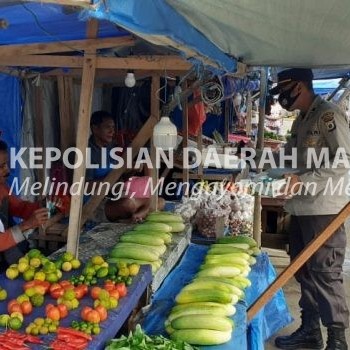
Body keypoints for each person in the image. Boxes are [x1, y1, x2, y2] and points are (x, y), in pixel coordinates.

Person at [268, 68, 349, 350]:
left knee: (325, 272)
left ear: (299, 87)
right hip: (302, 208)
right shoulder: (301, 120)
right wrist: (266, 169)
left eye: (283, 91)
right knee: (303, 270)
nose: (281, 98)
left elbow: (343, 162)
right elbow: (291, 154)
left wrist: (302, 181)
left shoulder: (328, 115)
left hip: (324, 208)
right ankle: (311, 331)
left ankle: (338, 340)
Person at [86, 110, 164, 223]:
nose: (112, 131)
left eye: (113, 127)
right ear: (95, 128)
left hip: (115, 196)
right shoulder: (87, 152)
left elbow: (120, 178)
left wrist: (130, 170)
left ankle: (138, 215)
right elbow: (86, 186)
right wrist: (117, 175)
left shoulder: (110, 148)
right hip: (95, 204)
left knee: (160, 201)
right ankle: (140, 213)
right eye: (107, 127)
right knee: (129, 204)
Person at [0, 140, 48, 266]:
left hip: (10, 255)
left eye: (7, 164)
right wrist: (26, 225)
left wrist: (44, 204)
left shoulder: (2, 188)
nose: (8, 171)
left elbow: (19, 207)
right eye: (1, 166)